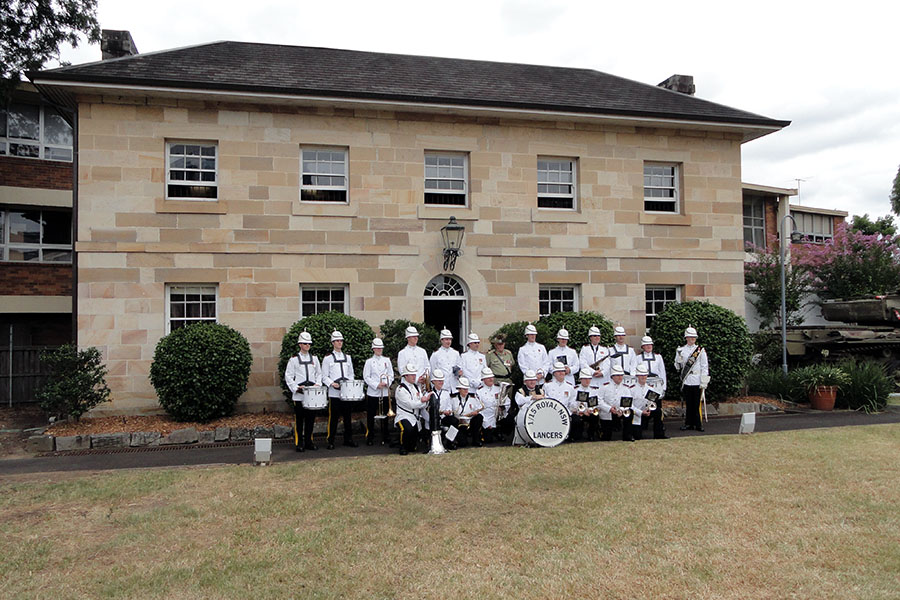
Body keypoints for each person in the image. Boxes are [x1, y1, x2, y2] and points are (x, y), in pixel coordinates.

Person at [284, 331, 323, 451]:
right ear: (300, 344)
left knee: (311, 419)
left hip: (311, 393)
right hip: (299, 394)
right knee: (300, 420)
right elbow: (288, 376)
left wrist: (317, 384)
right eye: (305, 343)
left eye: (309, 343)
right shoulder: (294, 360)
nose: (307, 345)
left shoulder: (314, 359)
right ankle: (299, 443)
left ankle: (309, 442)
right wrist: (295, 388)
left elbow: (319, 373)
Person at [322, 330, 357, 450]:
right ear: (332, 342)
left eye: (341, 340)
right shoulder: (327, 359)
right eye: (337, 341)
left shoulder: (347, 357)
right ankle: (330, 440)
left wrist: (349, 384)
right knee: (334, 418)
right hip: (334, 393)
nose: (339, 343)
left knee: (348, 416)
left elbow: (351, 373)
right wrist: (331, 383)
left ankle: (348, 439)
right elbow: (324, 376)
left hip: (346, 392)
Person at [633, 335, 668, 439]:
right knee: (643, 405)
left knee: (656, 409)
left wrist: (663, 388)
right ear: (642, 346)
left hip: (656, 387)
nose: (648, 346)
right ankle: (641, 426)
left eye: (650, 345)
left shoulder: (658, 357)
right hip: (643, 385)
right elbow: (635, 373)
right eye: (646, 345)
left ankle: (659, 431)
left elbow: (662, 373)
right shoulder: (638, 358)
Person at [675, 326, 709, 432]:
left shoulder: (700, 350)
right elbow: (678, 367)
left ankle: (698, 424)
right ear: (686, 338)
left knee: (696, 403)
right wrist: (678, 360)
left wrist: (704, 381)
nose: (692, 339)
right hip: (687, 380)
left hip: (697, 379)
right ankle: (688, 423)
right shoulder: (681, 350)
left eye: (694, 337)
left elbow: (704, 366)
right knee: (689, 403)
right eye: (690, 337)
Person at [363, 337, 394, 446]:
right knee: (371, 415)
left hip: (385, 392)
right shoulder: (369, 362)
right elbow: (366, 377)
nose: (379, 350)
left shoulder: (387, 360)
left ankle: (386, 435)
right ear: (373, 349)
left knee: (385, 415)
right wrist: (377, 385)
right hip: (373, 392)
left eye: (381, 348)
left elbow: (391, 374)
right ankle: (370, 436)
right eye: (377, 348)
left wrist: (386, 383)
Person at [394, 363, 429, 455]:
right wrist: (422, 401)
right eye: (412, 374)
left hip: (415, 417)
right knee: (407, 429)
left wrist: (423, 401)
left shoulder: (416, 387)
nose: (414, 376)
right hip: (404, 416)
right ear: (405, 376)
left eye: (415, 374)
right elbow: (411, 404)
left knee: (413, 447)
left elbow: (422, 404)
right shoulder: (400, 389)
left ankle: (407, 444)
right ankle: (402, 447)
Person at [544, 361, 577, 441]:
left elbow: (572, 402)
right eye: (558, 371)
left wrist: (574, 408)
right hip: (551, 413)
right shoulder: (547, 386)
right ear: (554, 373)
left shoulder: (570, 387)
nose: (561, 373)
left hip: (565, 413)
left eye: (562, 371)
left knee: (577, 420)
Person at [630, 363, 664, 441]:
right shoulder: (631, 389)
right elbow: (630, 406)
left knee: (658, 411)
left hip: (646, 412)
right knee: (637, 437)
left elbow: (652, 402)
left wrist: (649, 409)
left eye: (645, 375)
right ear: (637, 376)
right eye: (641, 375)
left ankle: (659, 435)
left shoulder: (650, 388)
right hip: (636, 414)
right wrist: (641, 412)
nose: (643, 377)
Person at [476, 367, 510, 443]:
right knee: (488, 440)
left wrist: (503, 408)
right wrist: (486, 424)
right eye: (488, 378)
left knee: (509, 419)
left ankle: (500, 432)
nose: (491, 379)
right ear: (483, 380)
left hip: (498, 416)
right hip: (486, 417)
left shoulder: (499, 389)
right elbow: (478, 410)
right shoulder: (479, 392)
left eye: (492, 377)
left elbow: (508, 401)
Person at [603, 365, 634, 441]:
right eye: (617, 375)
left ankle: (627, 436)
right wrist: (609, 408)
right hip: (608, 412)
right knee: (606, 437)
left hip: (621, 411)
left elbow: (628, 402)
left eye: (621, 375)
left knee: (630, 413)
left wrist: (621, 410)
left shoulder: (626, 388)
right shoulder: (604, 387)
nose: (620, 377)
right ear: (612, 376)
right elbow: (599, 401)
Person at [452, 377, 484, 447]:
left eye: (467, 389)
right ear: (459, 389)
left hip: (469, 422)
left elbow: (479, 407)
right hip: (459, 423)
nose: (466, 391)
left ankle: (476, 440)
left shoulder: (473, 398)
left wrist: (475, 412)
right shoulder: (453, 399)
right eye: (464, 389)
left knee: (479, 417)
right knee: (463, 444)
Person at [397, 326, 430, 392]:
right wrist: (416, 379)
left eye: (416, 336)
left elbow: (427, 366)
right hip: (409, 385)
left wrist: (424, 377)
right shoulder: (402, 353)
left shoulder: (422, 351)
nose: (416, 338)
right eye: (413, 336)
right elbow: (402, 371)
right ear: (408, 338)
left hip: (422, 385)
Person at [573, 367, 601, 441]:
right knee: (576, 419)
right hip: (578, 412)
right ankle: (577, 435)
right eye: (585, 379)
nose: (587, 381)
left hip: (589, 412)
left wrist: (590, 410)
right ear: (580, 379)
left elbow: (596, 403)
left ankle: (591, 435)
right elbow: (572, 403)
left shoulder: (594, 390)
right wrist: (582, 411)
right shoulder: (575, 390)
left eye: (589, 379)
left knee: (595, 416)